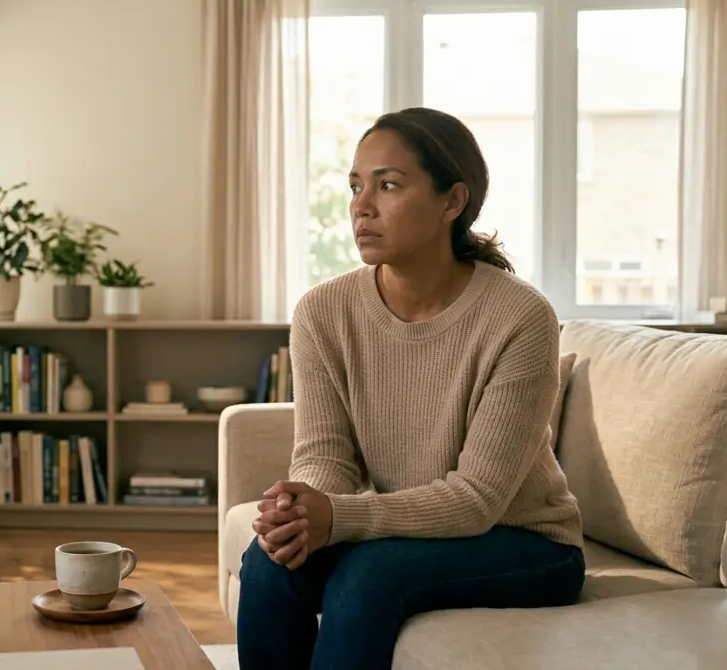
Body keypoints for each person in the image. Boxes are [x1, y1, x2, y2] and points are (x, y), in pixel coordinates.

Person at [235, 107, 586, 670]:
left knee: (369, 575)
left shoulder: (520, 316)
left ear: (453, 201)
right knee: (271, 560)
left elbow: (477, 500)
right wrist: (302, 507)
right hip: (416, 529)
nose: (360, 206)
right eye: (355, 185)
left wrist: (342, 518)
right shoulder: (323, 311)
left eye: (388, 185)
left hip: (524, 541)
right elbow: (325, 456)